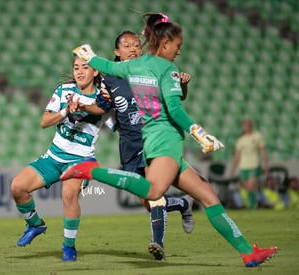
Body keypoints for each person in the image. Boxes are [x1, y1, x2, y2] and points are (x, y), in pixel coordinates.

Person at [62, 12, 278, 267]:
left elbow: (106, 66)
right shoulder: (166, 69)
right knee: (153, 192)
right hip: (164, 138)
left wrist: (88, 54)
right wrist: (199, 132)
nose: (179, 50)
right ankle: (91, 171)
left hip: (156, 138)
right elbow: (174, 110)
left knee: (208, 195)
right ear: (164, 43)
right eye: (177, 45)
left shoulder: (133, 67)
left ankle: (247, 253)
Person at [70, 29, 195, 260]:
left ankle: (157, 243)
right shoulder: (109, 79)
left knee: (153, 194)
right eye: (126, 45)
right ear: (117, 52)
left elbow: (176, 99)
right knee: (147, 201)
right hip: (128, 144)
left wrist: (183, 85)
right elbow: (102, 106)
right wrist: (84, 107)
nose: (133, 49)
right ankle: (181, 204)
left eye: (136, 44)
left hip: (153, 140)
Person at [10, 56, 112, 261]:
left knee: (68, 193)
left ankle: (68, 247)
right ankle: (36, 225)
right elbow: (44, 121)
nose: (80, 72)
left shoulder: (103, 98)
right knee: (17, 188)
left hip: (81, 160)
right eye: (76, 68)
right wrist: (66, 110)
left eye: (85, 67)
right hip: (54, 157)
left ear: (96, 72)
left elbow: (107, 116)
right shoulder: (64, 91)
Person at [230, 117, 269, 209]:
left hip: (254, 165)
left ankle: (253, 207)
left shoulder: (257, 136)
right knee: (248, 188)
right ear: (243, 126)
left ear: (251, 125)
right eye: (245, 125)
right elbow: (237, 155)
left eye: (248, 124)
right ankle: (253, 204)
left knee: (251, 187)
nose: (247, 126)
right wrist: (233, 168)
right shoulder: (241, 139)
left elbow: (263, 151)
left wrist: (265, 164)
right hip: (244, 166)